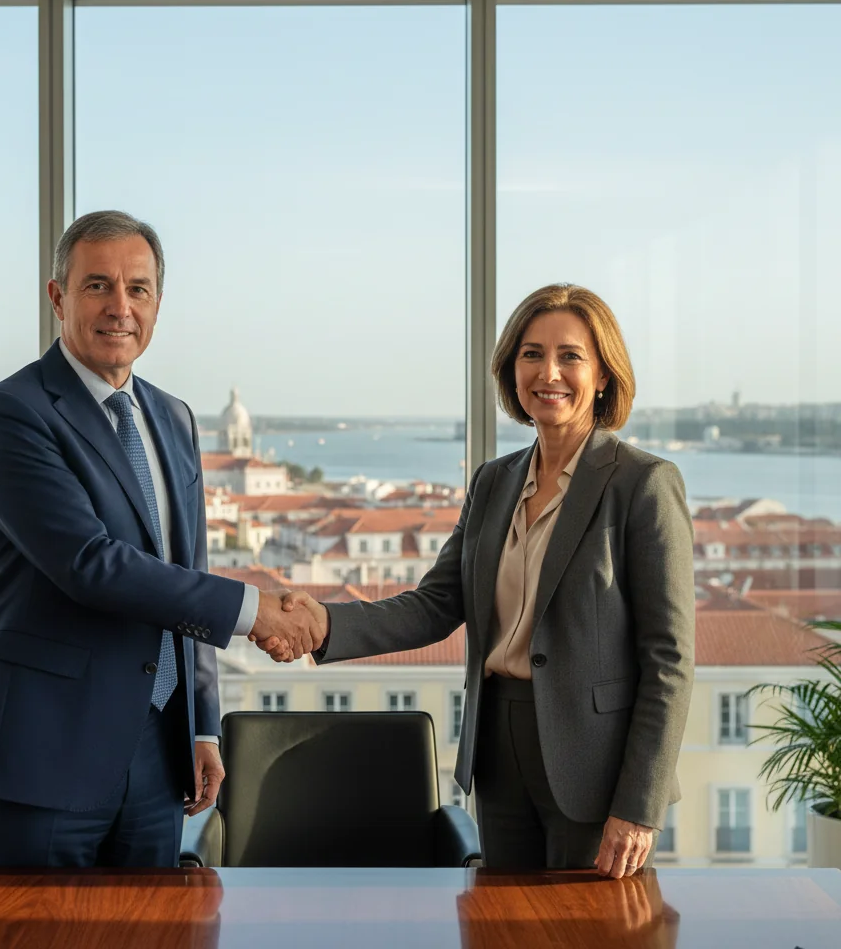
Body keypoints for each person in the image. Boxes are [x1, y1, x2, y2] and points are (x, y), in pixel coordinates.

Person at [258, 284, 695, 878]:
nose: (549, 372)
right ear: (511, 370)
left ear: (603, 375)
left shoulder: (643, 484)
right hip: (497, 752)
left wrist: (638, 807)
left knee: (588, 932)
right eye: (531, 353)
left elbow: (668, 659)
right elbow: (437, 604)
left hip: (595, 764)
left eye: (570, 356)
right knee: (498, 928)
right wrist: (324, 622)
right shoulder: (495, 481)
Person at [0, 210, 325, 867]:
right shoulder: (10, 413)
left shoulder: (172, 417)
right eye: (97, 286)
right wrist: (255, 610)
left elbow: (187, 566)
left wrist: (202, 723)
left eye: (137, 289)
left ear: (157, 303)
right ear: (58, 296)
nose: (120, 307)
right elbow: (91, 564)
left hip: (157, 753)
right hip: (44, 751)